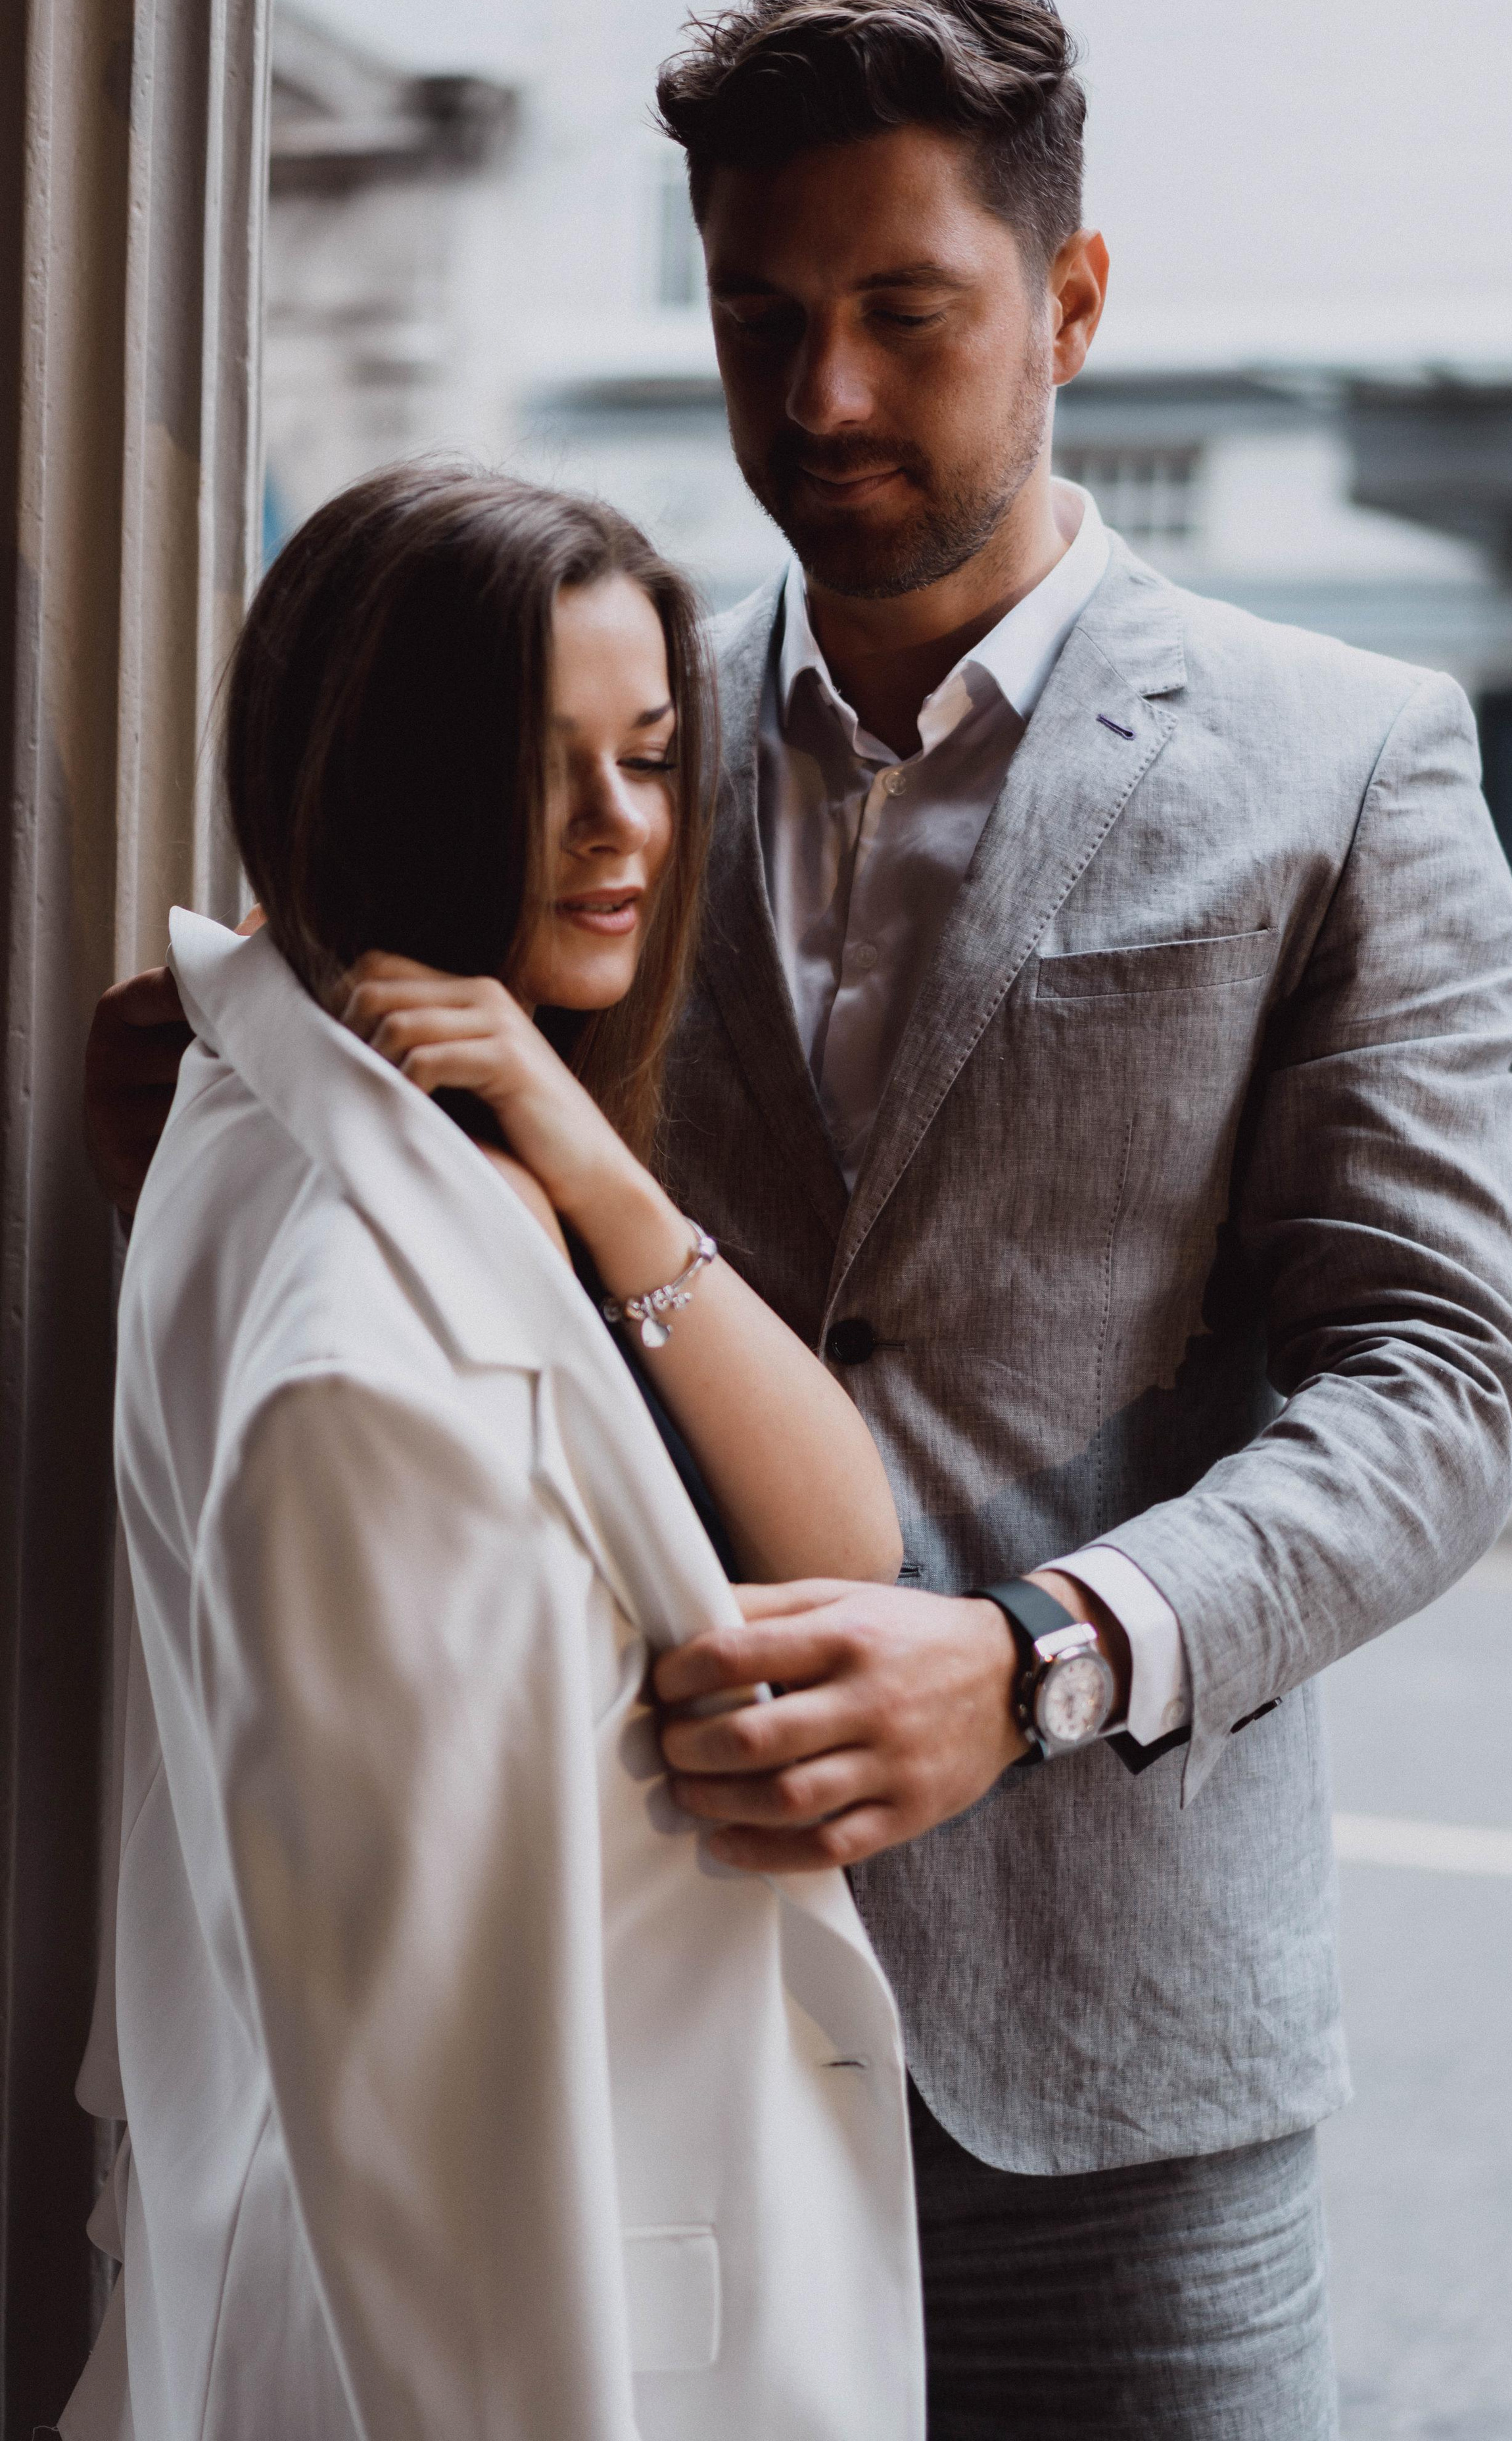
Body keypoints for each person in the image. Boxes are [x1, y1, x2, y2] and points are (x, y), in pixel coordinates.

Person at [85, 0, 1512, 2441]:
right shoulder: (607, 725)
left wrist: (1045, 1653)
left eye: (905, 312)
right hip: (655, 1993)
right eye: (763, 320)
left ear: (1074, 301)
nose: (826, 398)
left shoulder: (1349, 758)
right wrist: (233, 1044)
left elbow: (1436, 1384)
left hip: (1110, 2084)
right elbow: (382, 1058)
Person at [62, 467, 924, 2441]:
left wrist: (585, 1146)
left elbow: (847, 1535)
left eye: (649, 758)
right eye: (549, 775)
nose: (627, 836)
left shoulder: (437, 1139)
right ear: (385, 781)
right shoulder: (365, 1335)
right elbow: (433, 2091)